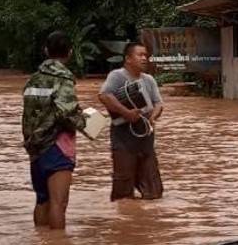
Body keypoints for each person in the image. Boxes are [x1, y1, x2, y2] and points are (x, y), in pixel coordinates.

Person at [23, 32, 86, 230]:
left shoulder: (33, 79)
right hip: (57, 146)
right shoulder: (63, 79)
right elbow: (66, 114)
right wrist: (85, 122)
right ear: (70, 52)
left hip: (35, 147)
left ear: (45, 51)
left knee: (42, 200)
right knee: (59, 204)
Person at [98, 41, 165, 201]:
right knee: (123, 191)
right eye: (140, 55)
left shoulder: (149, 79)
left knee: (154, 191)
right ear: (128, 59)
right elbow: (104, 96)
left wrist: (153, 117)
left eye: (146, 55)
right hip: (123, 138)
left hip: (146, 137)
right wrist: (126, 113)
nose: (144, 59)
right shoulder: (117, 76)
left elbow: (159, 103)